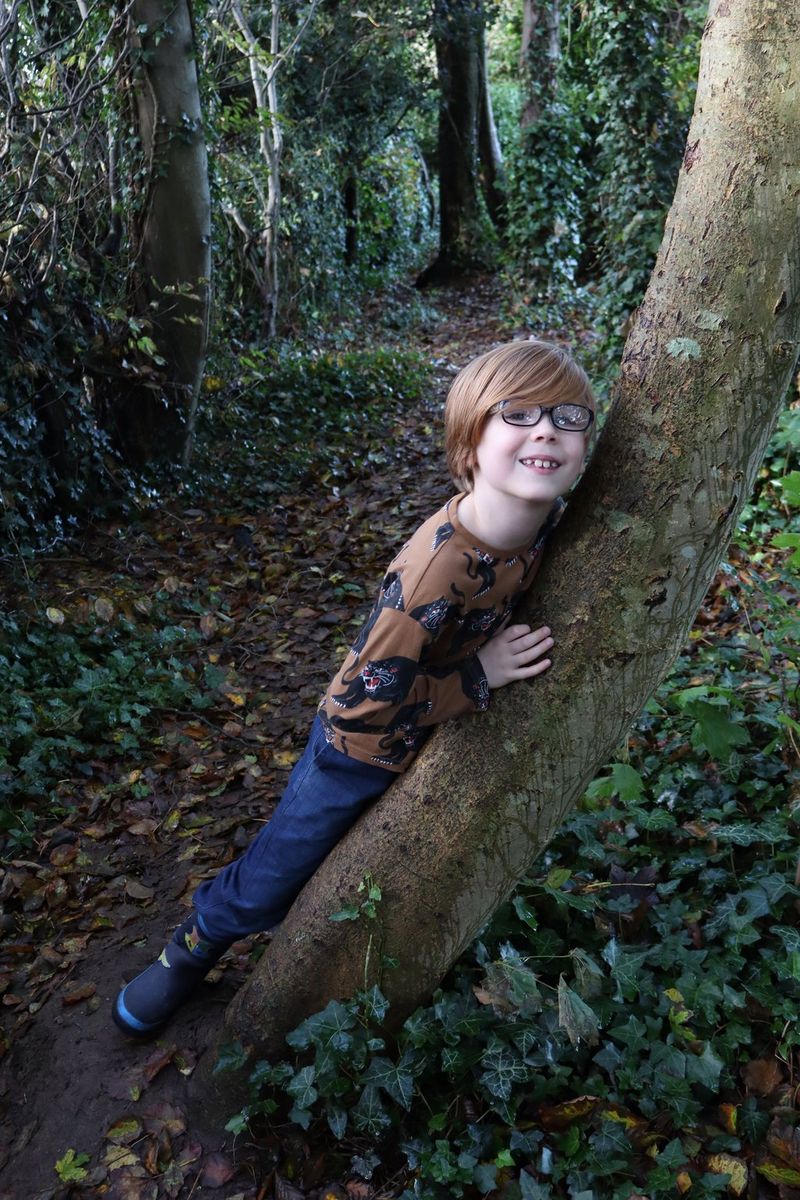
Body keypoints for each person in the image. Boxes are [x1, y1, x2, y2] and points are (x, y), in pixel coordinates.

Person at [112, 339, 596, 1036]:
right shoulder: (435, 573)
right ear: (469, 443)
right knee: (279, 874)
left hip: (434, 728)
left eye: (566, 418)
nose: (545, 429)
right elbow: (363, 700)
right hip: (358, 749)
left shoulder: (545, 519)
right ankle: (194, 945)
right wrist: (478, 675)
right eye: (516, 415)